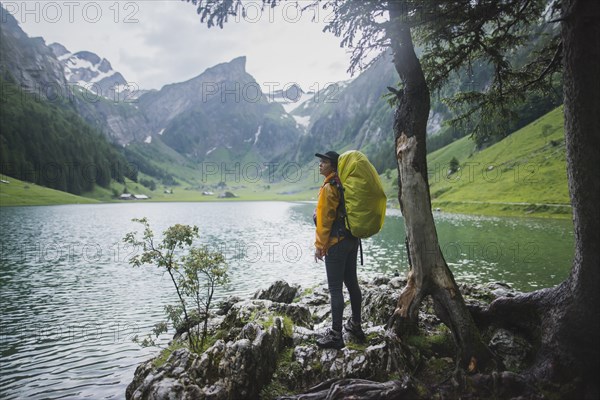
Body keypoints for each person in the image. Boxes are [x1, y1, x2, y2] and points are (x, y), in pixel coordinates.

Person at [314, 151, 366, 349]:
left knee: (335, 289)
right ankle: (356, 325)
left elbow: (325, 220)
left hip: (336, 242)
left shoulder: (329, 187)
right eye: (320, 161)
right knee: (352, 283)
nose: (320, 164)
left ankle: (336, 335)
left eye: (324, 162)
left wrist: (320, 246)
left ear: (333, 166)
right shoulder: (343, 184)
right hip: (352, 241)